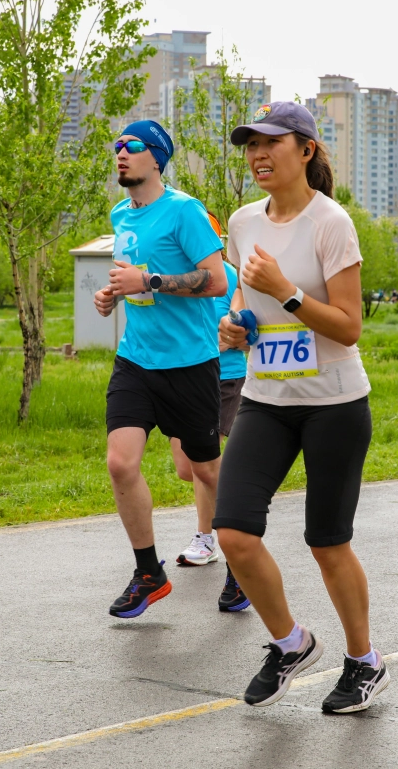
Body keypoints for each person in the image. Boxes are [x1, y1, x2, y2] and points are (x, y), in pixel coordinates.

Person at [214, 101, 386, 714]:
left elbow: (348, 327)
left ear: (306, 150)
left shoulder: (330, 223)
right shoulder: (241, 221)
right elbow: (244, 301)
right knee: (232, 531)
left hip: (335, 404)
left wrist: (285, 292)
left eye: (271, 143)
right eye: (250, 145)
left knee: (326, 542)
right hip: (266, 399)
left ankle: (364, 661)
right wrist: (235, 327)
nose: (257, 155)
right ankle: (290, 643)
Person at [92, 120, 228, 619]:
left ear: (157, 158)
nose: (121, 153)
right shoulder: (120, 214)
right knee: (120, 463)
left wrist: (147, 279)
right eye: (118, 146)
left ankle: (241, 561)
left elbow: (215, 280)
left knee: (204, 471)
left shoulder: (185, 211)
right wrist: (112, 295)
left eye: (132, 146)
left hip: (190, 364)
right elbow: (133, 284)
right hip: (136, 359)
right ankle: (148, 572)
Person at [169, 245, 252, 613]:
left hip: (223, 377)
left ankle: (216, 541)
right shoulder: (170, 274)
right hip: (178, 376)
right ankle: (220, 537)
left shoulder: (229, 275)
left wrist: (232, 335)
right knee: (188, 469)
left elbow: (245, 330)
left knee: (208, 465)